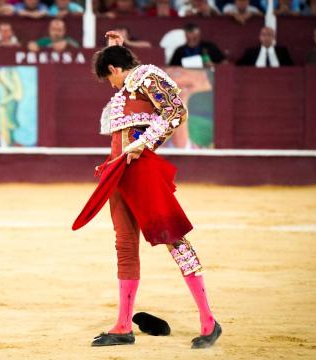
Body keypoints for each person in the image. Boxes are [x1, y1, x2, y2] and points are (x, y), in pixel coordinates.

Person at [77, 30, 221, 349]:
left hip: (140, 170)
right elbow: (124, 83)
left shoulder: (147, 75)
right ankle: (123, 325)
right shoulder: (129, 85)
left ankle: (209, 322)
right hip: (118, 173)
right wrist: (115, 50)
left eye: (109, 77)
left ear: (114, 71)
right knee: (125, 245)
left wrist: (144, 143)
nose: (111, 86)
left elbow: (175, 111)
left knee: (173, 239)